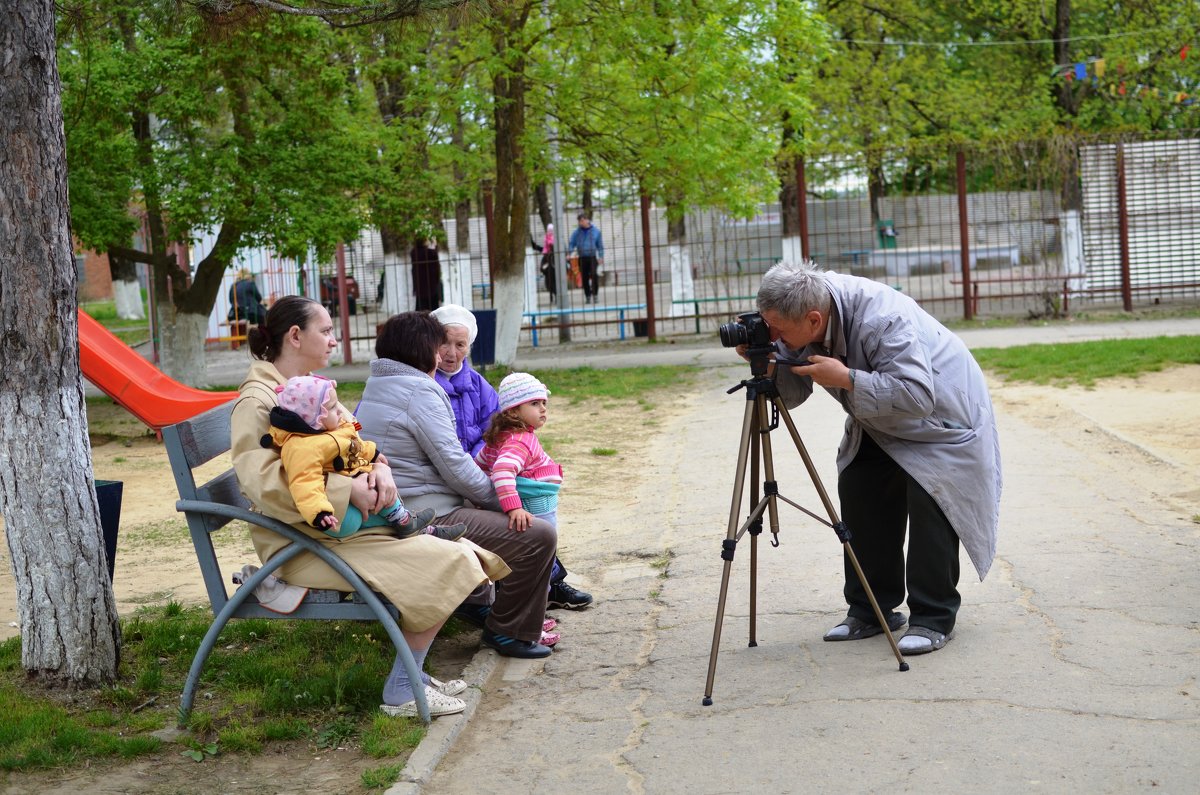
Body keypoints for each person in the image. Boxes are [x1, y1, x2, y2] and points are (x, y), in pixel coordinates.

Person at [232, 296, 511, 717]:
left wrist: (381, 469)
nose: (333, 339)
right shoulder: (258, 400)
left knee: (465, 555)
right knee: (455, 560)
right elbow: (264, 483)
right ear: (295, 336)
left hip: (344, 532)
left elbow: (355, 440)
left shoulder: (312, 386)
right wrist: (349, 493)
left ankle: (410, 675)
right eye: (325, 331)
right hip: (301, 544)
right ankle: (402, 688)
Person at [753, 260, 1001, 655]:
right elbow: (793, 394)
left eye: (778, 330)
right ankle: (871, 609)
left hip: (941, 420)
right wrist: (764, 357)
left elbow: (918, 395)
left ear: (813, 320)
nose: (773, 335)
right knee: (859, 485)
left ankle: (933, 617)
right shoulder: (806, 311)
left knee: (931, 496)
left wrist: (848, 378)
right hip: (879, 418)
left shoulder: (883, 319)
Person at [356, 312, 559, 659]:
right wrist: (507, 503)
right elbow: (454, 465)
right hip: (425, 513)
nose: (442, 356)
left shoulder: (381, 382)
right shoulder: (418, 390)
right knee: (538, 536)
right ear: (423, 350)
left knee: (514, 524)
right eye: (438, 346)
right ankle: (508, 631)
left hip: (403, 506)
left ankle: (496, 613)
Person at [431, 306, 594, 613]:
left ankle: (549, 583)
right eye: (444, 342)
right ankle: (536, 589)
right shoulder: (428, 384)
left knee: (529, 514)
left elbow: (499, 429)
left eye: (460, 345)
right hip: (451, 477)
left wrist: (483, 459)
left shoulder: (477, 384)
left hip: (481, 469)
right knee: (522, 518)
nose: (451, 352)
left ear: (469, 347)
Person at [265, 374, 465, 541]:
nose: (340, 412)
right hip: (339, 515)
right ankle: (408, 523)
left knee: (379, 491)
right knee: (376, 490)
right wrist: (319, 513)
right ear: (314, 418)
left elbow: (354, 444)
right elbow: (304, 482)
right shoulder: (302, 447)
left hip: (352, 506)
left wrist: (373, 453)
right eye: (333, 408)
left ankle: (414, 527)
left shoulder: (331, 429)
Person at [567, 212, 604, 304]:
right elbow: (572, 243)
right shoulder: (576, 233)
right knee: (584, 278)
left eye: (582, 220)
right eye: (579, 221)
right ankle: (587, 296)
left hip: (592, 257)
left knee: (594, 275)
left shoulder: (596, 232)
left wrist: (601, 256)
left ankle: (595, 295)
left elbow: (600, 246)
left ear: (587, 220)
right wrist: (569, 253)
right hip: (582, 258)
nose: (581, 223)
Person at [411, 239, 442, 311]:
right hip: (431, 286)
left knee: (421, 308)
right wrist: (435, 245)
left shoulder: (414, 253)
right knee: (433, 309)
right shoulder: (431, 253)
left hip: (420, 286)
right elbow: (436, 268)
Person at [538, 224, 557, 301]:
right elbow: (547, 244)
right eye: (549, 230)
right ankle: (544, 269)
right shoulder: (547, 237)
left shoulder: (556, 236)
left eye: (551, 230)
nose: (550, 231)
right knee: (543, 266)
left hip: (555, 254)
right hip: (547, 254)